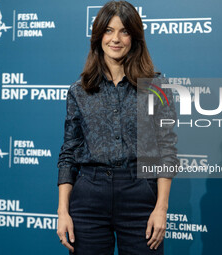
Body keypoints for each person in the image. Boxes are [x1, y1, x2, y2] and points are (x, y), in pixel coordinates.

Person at [56, 1, 179, 254]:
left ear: (134, 37)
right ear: (98, 36)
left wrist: (161, 208)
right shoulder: (79, 90)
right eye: (109, 31)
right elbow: (69, 153)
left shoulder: (156, 86)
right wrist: (63, 211)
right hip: (89, 195)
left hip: (140, 193)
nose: (116, 38)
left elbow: (167, 149)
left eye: (124, 31)